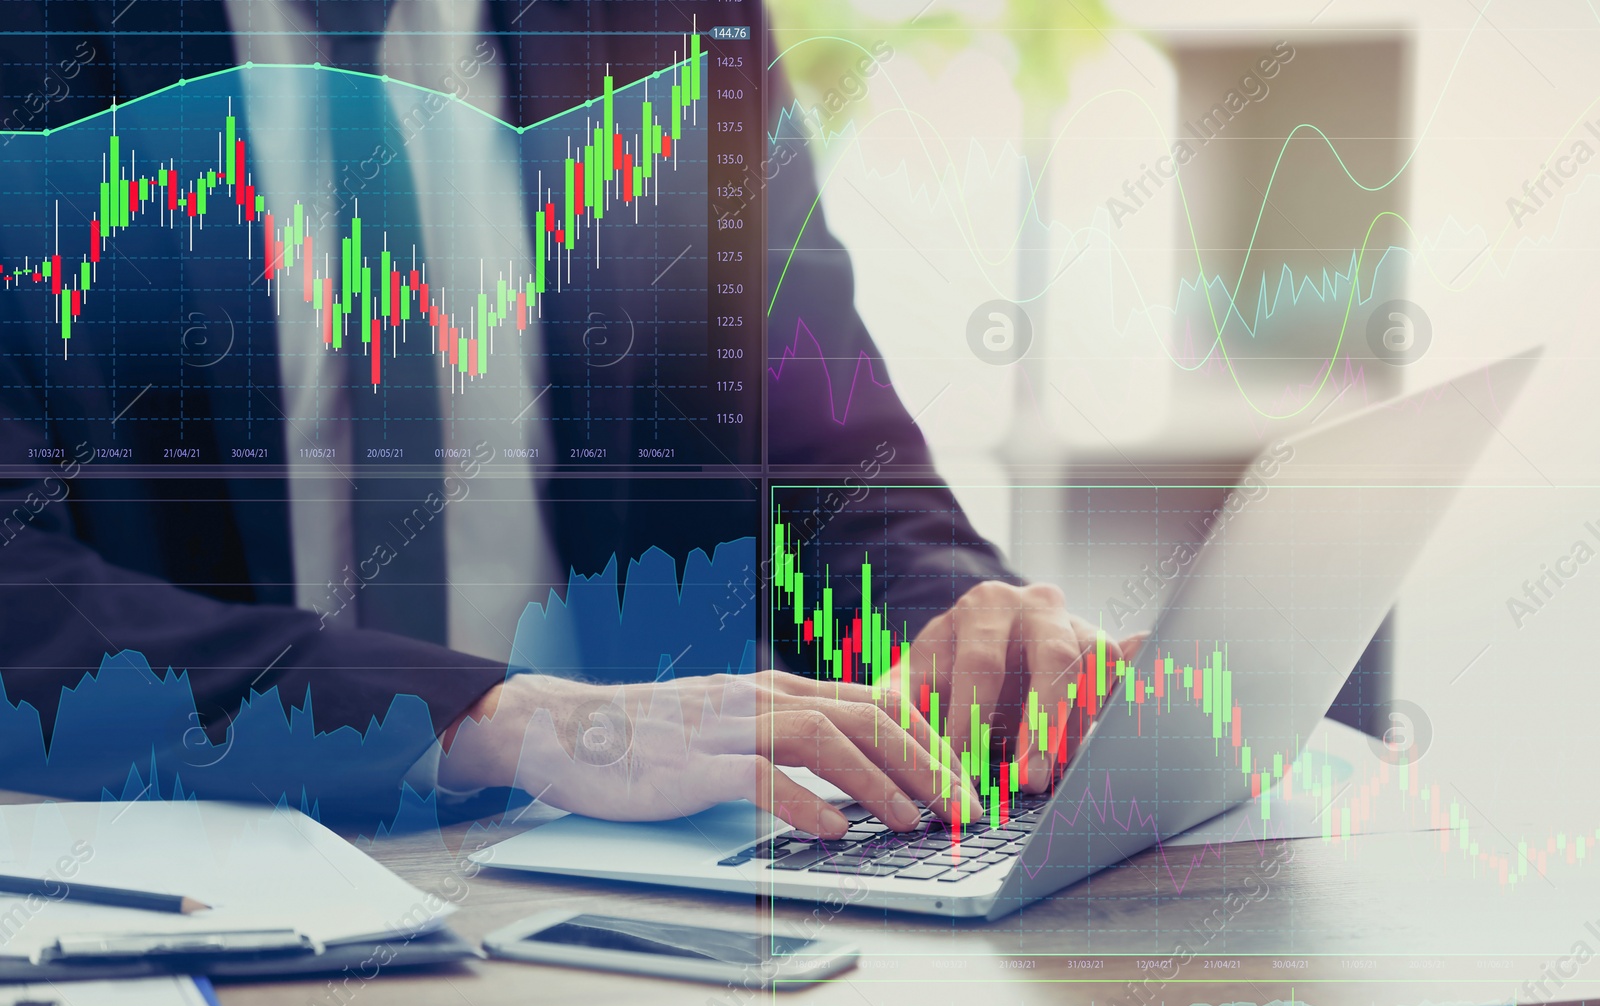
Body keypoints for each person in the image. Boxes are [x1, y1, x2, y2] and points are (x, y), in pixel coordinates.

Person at [0, 0, 1133, 838]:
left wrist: (955, 631)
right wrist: (493, 718)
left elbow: (824, 459)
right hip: (202, 869)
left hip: (624, 882)